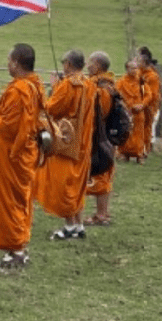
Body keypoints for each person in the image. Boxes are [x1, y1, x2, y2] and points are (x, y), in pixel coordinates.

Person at [0, 43, 45, 266]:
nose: (7, 64)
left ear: (16, 62)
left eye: (9, 60)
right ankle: (16, 247)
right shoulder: (33, 86)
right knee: (18, 201)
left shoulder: (21, 90)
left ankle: (16, 250)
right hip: (20, 155)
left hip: (13, 157)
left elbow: (14, 127)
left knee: (12, 203)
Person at [36, 49, 95, 240]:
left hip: (66, 142)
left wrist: (54, 88)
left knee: (64, 185)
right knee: (76, 184)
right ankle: (79, 224)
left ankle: (69, 226)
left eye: (64, 64)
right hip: (84, 142)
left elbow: (51, 108)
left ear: (68, 64)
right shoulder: (89, 84)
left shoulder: (69, 85)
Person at [84, 51, 117, 226]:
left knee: (102, 175)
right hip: (98, 136)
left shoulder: (103, 87)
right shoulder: (100, 84)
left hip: (101, 137)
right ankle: (101, 214)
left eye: (90, 62)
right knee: (100, 174)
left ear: (97, 65)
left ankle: (102, 215)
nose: (87, 66)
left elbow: (100, 112)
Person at [116, 60, 147, 163]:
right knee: (126, 132)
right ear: (127, 69)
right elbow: (116, 96)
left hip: (138, 111)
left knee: (139, 133)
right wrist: (124, 106)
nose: (135, 70)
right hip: (126, 112)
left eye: (136, 68)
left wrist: (142, 105)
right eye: (132, 68)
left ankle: (139, 154)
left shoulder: (140, 81)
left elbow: (148, 94)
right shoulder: (121, 82)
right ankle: (125, 154)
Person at [136, 47, 161, 155]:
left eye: (139, 61)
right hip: (139, 104)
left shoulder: (152, 76)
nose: (137, 63)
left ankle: (146, 148)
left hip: (149, 106)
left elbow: (153, 94)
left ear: (144, 63)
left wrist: (146, 104)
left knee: (148, 128)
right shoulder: (138, 73)